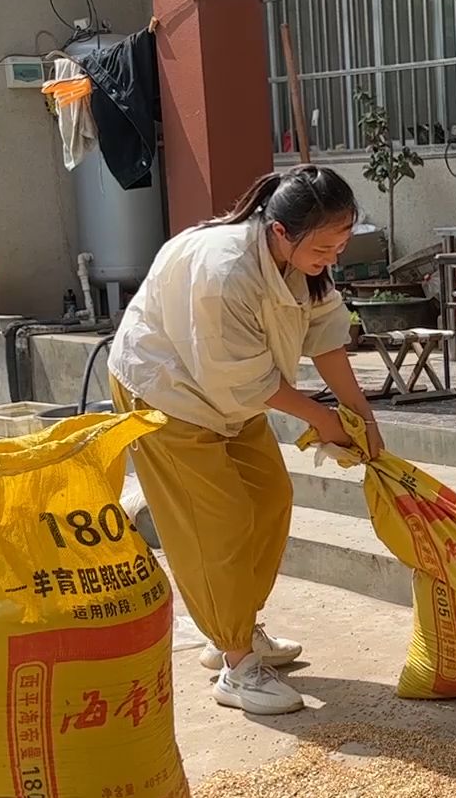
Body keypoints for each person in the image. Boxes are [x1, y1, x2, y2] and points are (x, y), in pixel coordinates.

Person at [108, 165, 383, 716]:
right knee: (219, 522)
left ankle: (232, 626)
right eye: (325, 246)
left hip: (230, 396)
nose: (332, 257)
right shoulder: (225, 268)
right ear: (281, 231)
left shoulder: (304, 265)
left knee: (269, 498)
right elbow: (247, 378)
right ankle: (237, 666)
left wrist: (359, 413)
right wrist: (325, 422)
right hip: (168, 393)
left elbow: (326, 337)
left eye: (341, 245)